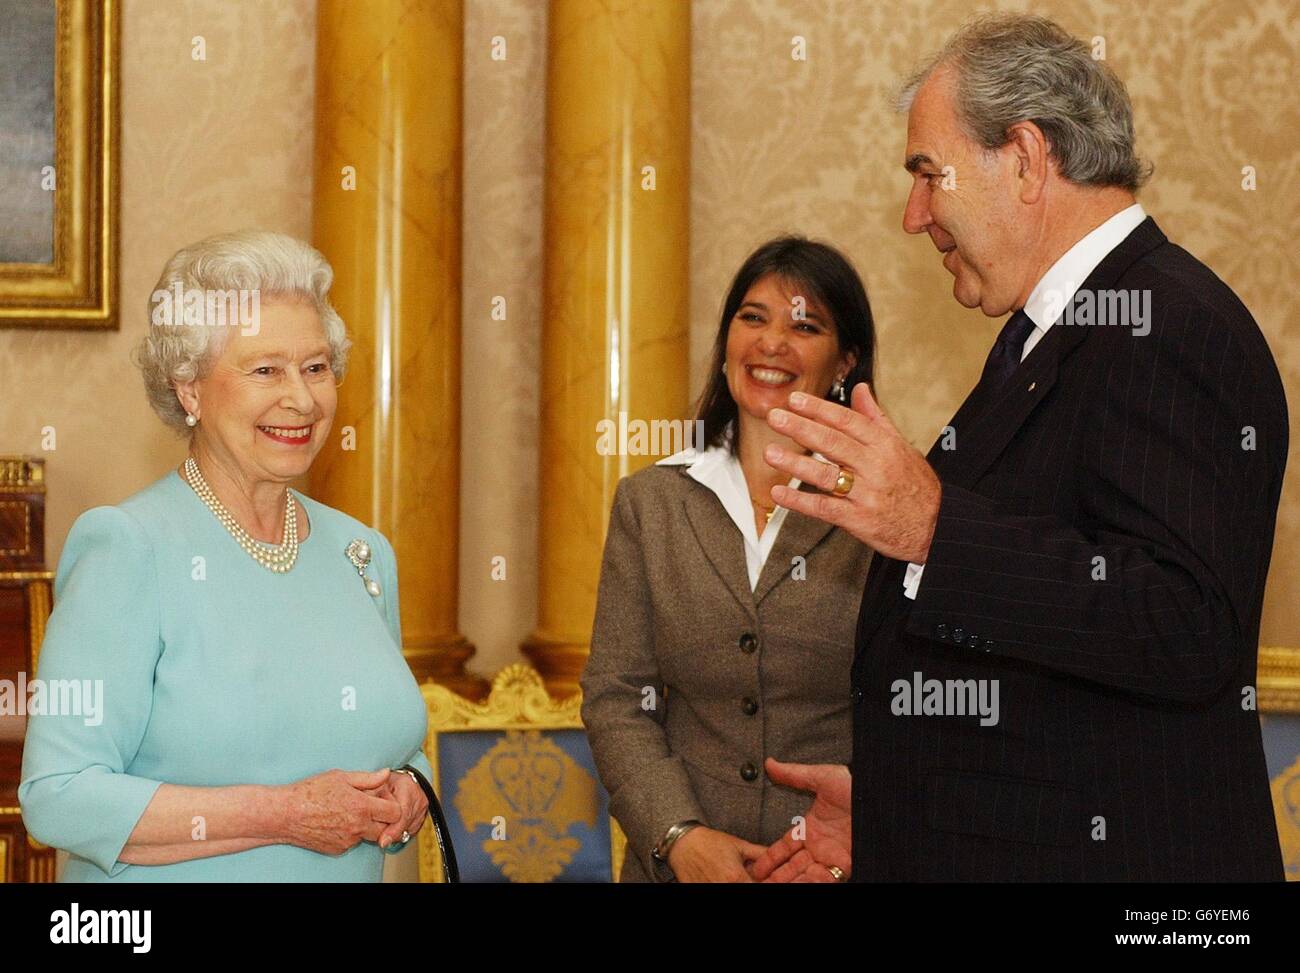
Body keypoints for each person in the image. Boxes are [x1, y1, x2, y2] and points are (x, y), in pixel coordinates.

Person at [751, 14, 1288, 882]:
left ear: (1029, 158)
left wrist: (934, 527)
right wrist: (893, 806)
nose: (913, 214)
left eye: (929, 174)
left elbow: (1185, 628)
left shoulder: (1168, 323)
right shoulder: (1052, 335)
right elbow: (1048, 671)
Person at [20, 231, 434, 881]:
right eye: (265, 369)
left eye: (317, 367)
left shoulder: (362, 553)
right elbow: (59, 795)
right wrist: (286, 813)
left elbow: (393, 741)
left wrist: (411, 783)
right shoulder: (128, 548)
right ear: (190, 389)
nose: (301, 398)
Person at [581, 237, 876, 882]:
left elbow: (911, 709)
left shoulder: (883, 513)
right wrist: (679, 836)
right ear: (725, 346)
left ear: (845, 361)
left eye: (805, 325)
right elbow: (617, 699)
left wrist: (858, 843)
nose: (772, 343)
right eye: (753, 317)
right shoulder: (650, 503)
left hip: (832, 868)